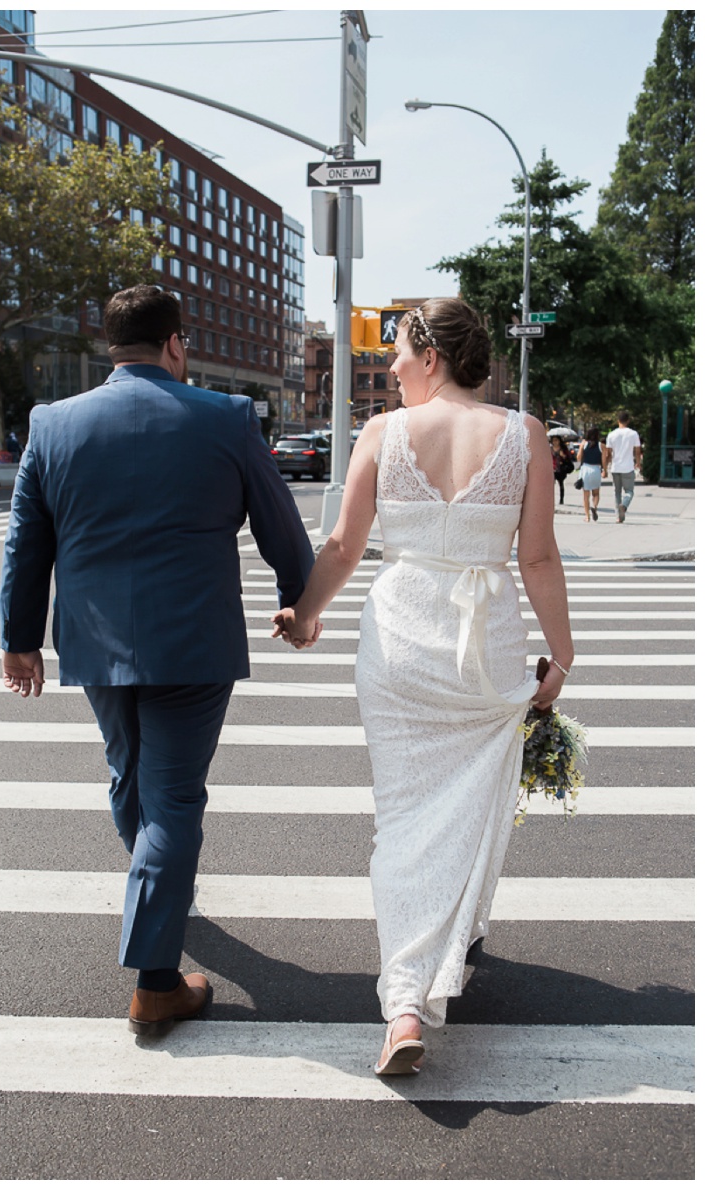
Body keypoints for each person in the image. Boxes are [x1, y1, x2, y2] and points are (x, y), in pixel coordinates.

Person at [0, 284, 314, 1036]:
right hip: (193, 642)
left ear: (110, 345)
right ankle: (155, 981)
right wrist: (300, 604)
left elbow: (26, 541)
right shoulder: (227, 417)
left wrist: (19, 639)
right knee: (173, 801)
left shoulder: (53, 422)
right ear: (177, 343)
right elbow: (279, 521)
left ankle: (155, 880)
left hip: (95, 641)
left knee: (129, 775)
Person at [272, 298, 573, 1077]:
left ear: (431, 356)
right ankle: (441, 956)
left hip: (402, 639)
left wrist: (304, 614)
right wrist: (562, 658)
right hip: (489, 652)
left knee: (403, 817)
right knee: (473, 807)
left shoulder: (383, 434)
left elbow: (343, 544)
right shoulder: (526, 436)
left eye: (400, 354)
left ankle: (404, 1001)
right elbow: (538, 559)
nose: (394, 369)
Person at [603, 411, 642, 522]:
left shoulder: (611, 435)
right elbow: (637, 450)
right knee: (629, 491)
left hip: (615, 467)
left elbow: (608, 454)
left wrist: (605, 468)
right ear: (628, 420)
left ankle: (618, 517)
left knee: (617, 492)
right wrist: (638, 462)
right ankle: (624, 506)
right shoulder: (633, 434)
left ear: (618, 421)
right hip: (628, 467)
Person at [576, 428, 604, 522]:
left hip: (586, 469)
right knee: (596, 493)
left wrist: (582, 449)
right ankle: (594, 507)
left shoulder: (584, 444)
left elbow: (578, 457)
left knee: (585, 495)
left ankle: (587, 516)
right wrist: (604, 470)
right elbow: (604, 460)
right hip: (596, 469)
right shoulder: (601, 445)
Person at [549, 434, 574, 505]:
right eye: (553, 440)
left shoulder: (563, 449)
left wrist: (563, 456)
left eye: (556, 440)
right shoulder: (550, 449)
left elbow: (568, 459)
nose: (555, 442)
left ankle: (561, 499)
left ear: (559, 441)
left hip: (561, 469)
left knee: (561, 484)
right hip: (552, 469)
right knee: (551, 485)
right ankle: (551, 499)